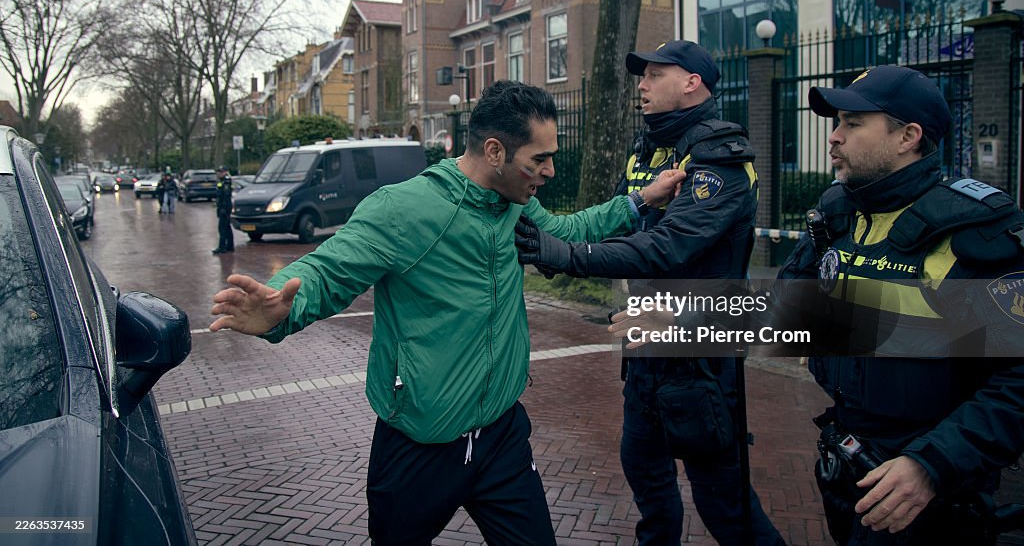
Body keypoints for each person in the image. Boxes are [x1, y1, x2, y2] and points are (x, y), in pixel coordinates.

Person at [208, 81, 684, 545]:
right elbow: (326, 269)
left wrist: (640, 199)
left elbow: (568, 228)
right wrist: (279, 308)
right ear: (495, 151)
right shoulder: (403, 209)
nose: (551, 171)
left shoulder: (514, 205)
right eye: (539, 159)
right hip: (419, 443)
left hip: (501, 435)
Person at [516, 40, 785, 545]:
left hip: (701, 353)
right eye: (642, 75)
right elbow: (623, 223)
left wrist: (567, 257)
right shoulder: (648, 147)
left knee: (723, 505)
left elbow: (669, 247)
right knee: (643, 467)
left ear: (692, 82)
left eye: (656, 74)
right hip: (645, 349)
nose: (641, 84)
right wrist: (559, 247)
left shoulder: (718, 152)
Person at [776, 65, 1024, 544]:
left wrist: (932, 464)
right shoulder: (838, 212)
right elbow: (795, 307)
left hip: (927, 486)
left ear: (908, 136)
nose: (834, 137)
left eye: (852, 123)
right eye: (837, 123)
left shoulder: (976, 232)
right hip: (846, 456)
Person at [212, 166, 233, 254]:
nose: (219, 173)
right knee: (227, 227)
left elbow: (226, 195)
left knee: (222, 227)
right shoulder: (221, 181)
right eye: (218, 172)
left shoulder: (226, 182)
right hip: (222, 207)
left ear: (225, 172)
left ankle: (222, 247)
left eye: (221, 172)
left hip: (225, 207)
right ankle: (229, 246)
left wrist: (223, 208)